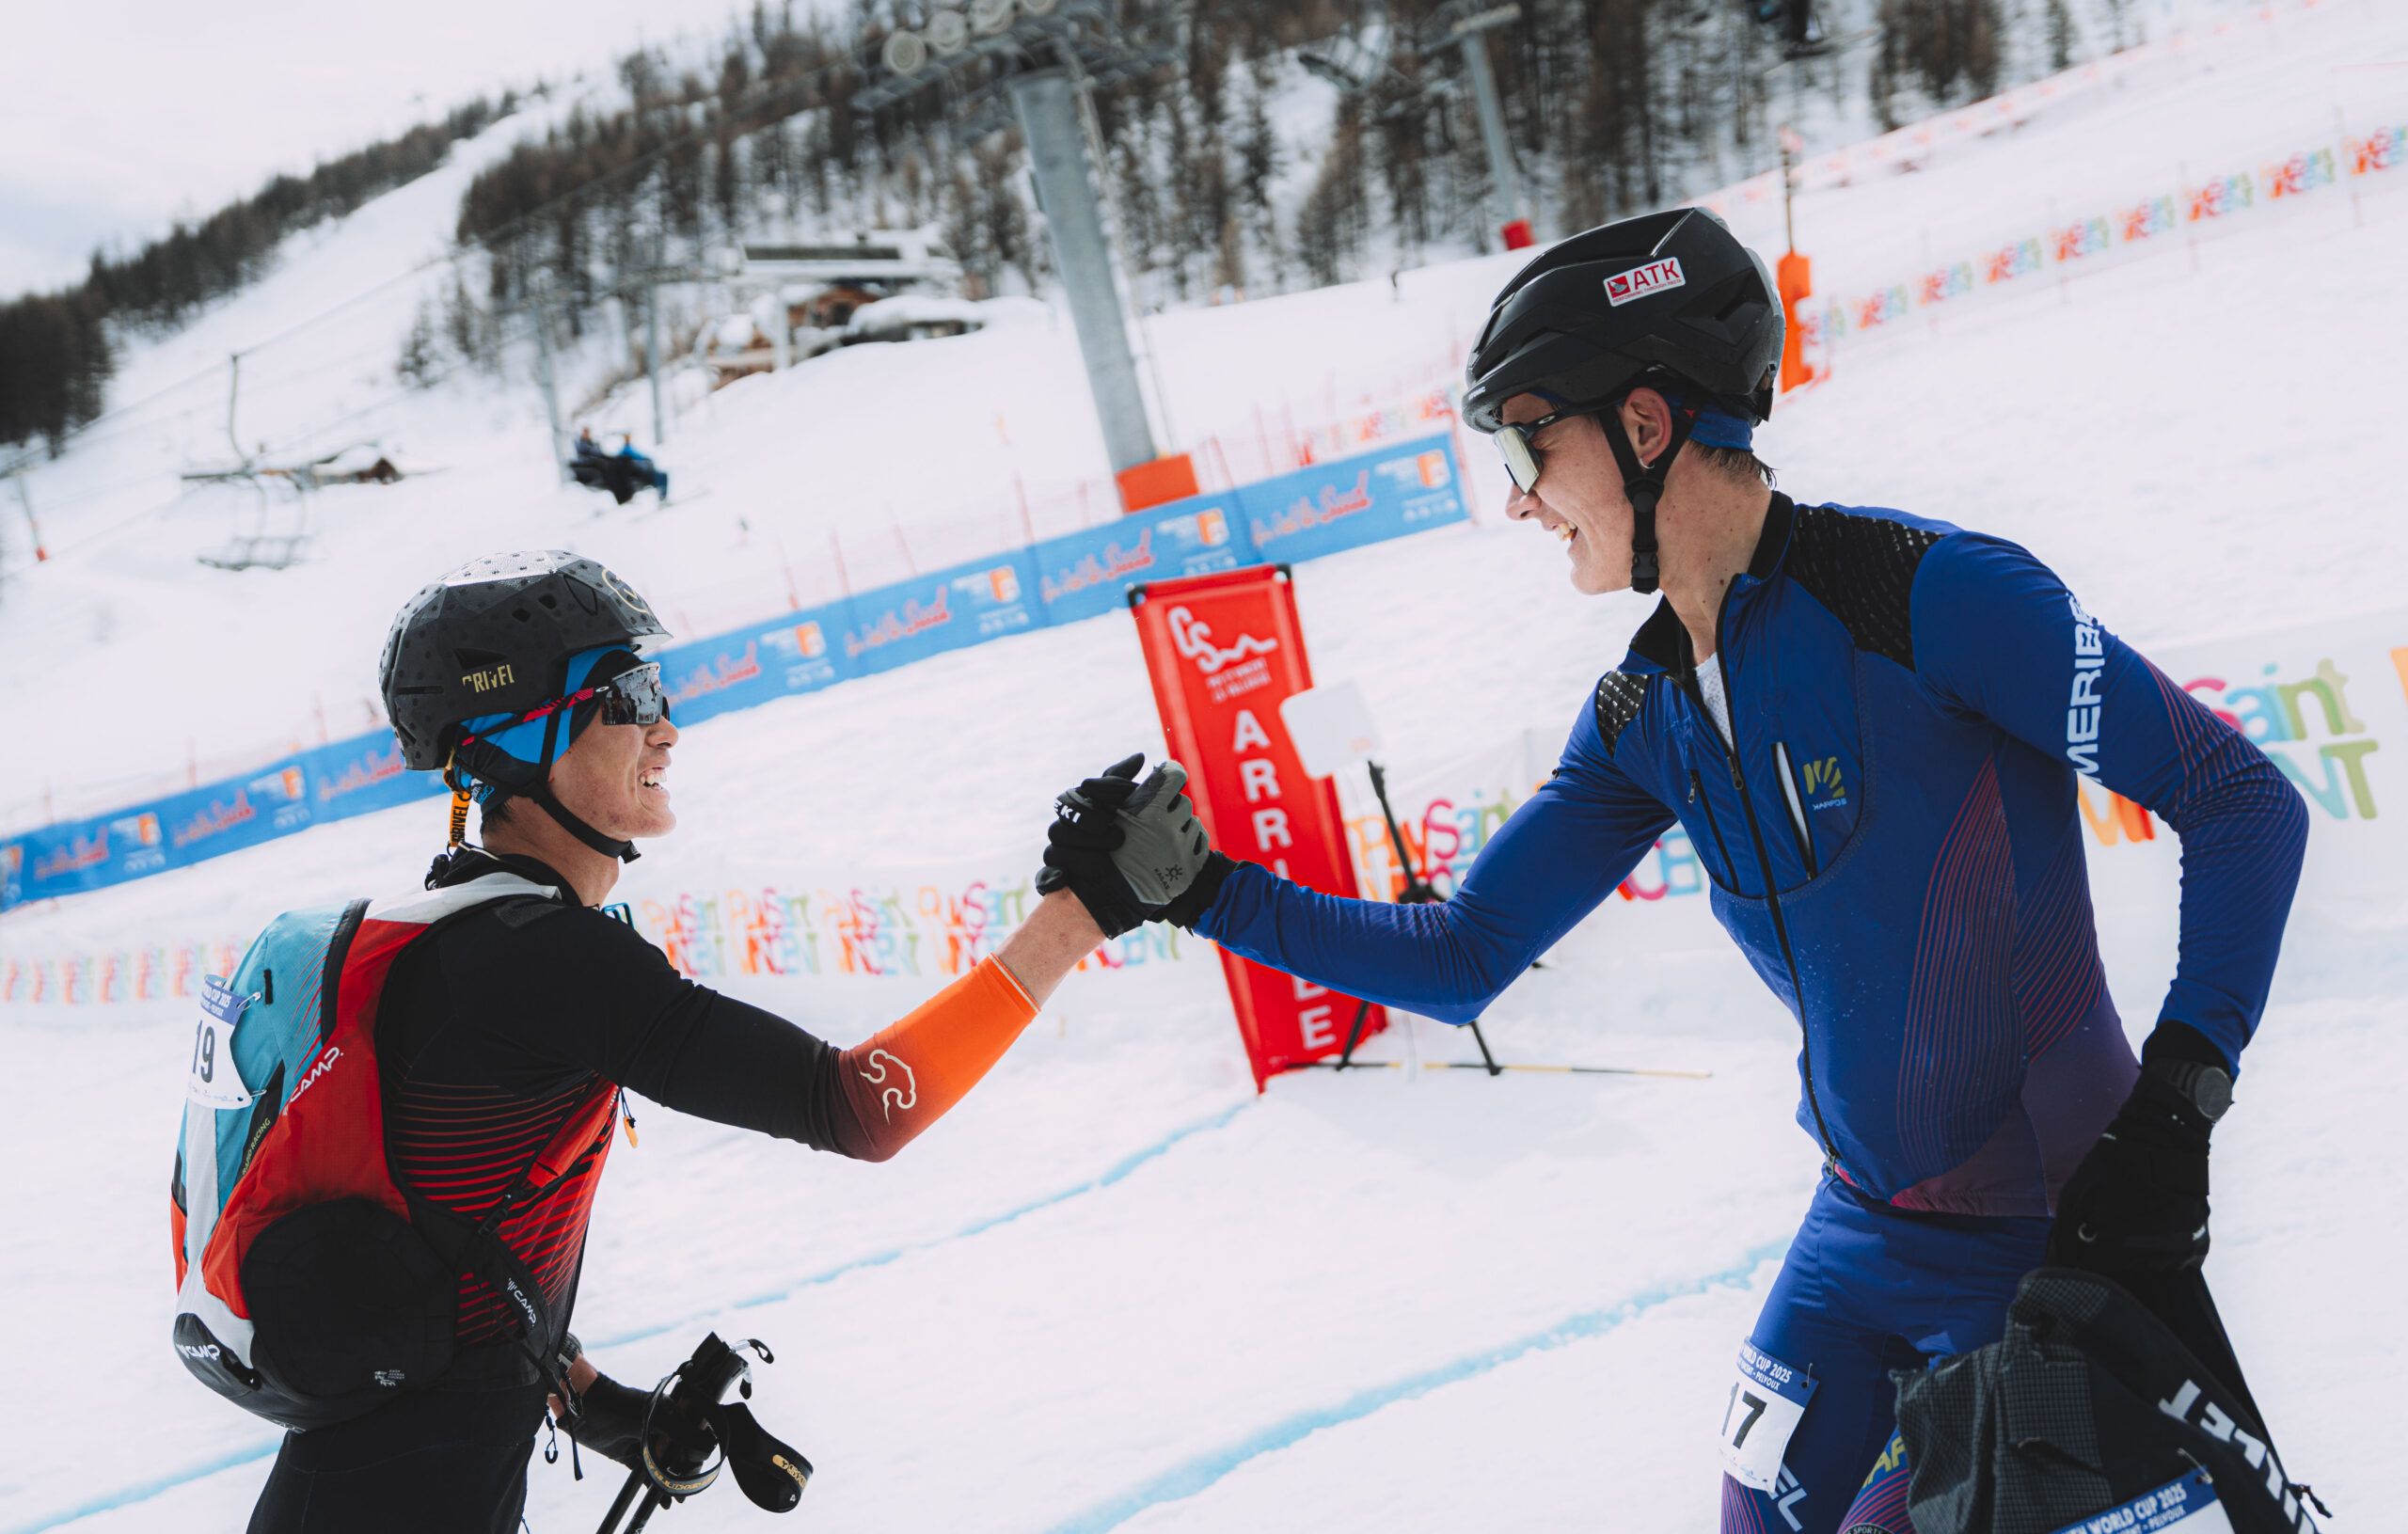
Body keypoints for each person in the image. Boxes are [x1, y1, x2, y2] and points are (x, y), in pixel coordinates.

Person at [1034, 210, 2309, 1534]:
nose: (1517, 498)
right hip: (1856, 1243)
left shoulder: (1930, 596)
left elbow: (2240, 802)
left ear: (1644, 425)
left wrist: (2175, 1112)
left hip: (2054, 1240)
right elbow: (1464, 955)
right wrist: (1197, 888)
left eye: (1527, 445)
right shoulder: (1644, 711)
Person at [245, 550, 1120, 1532]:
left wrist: (602, 1407)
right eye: (629, 696)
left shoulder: (479, 941)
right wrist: (1078, 917)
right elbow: (861, 1108)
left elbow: (446, 1258)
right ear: (525, 738)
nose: (666, 726)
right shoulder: (536, 959)